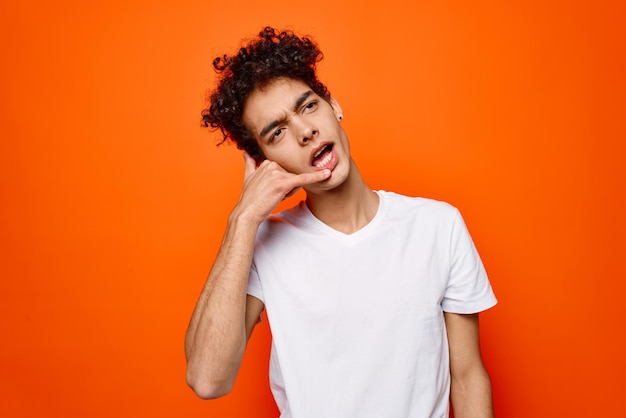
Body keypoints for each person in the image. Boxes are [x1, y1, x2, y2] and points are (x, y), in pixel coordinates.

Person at [185, 26, 497, 418]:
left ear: (334, 106)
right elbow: (207, 379)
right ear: (266, 163)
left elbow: (467, 375)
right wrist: (243, 218)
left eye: (308, 106)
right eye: (277, 131)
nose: (304, 132)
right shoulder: (263, 244)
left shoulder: (438, 227)